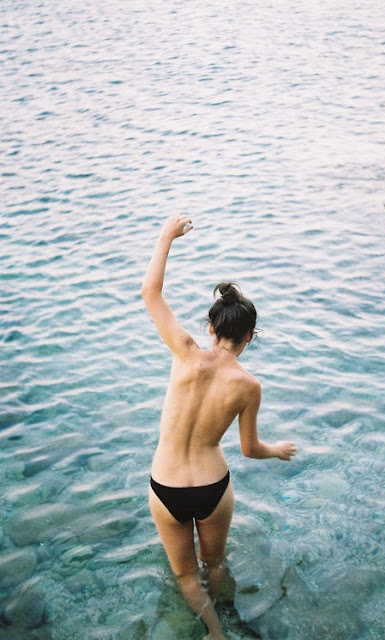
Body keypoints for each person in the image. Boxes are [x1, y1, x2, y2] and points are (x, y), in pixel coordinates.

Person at [141, 215, 297, 640]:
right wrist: (277, 450)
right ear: (250, 337)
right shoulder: (249, 386)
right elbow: (249, 449)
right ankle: (234, 617)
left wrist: (166, 235)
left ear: (210, 329)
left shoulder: (185, 351)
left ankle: (214, 632)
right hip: (213, 487)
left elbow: (150, 292)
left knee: (186, 574)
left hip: (166, 484)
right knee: (216, 565)